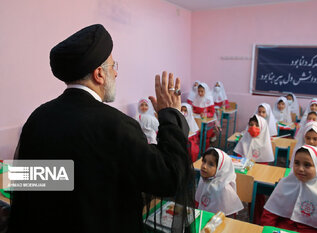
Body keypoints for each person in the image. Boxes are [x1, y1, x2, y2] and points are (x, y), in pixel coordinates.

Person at [8, 24, 195, 233]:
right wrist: (171, 115)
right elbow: (169, 178)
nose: (116, 73)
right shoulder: (116, 125)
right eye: (113, 66)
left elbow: (35, 185)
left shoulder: (38, 118)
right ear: (99, 74)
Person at [262, 145, 317, 233]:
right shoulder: (286, 184)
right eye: (296, 163)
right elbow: (269, 214)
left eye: (307, 165)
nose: (300, 169)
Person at [195, 148, 243, 216]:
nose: (204, 166)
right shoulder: (203, 180)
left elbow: (228, 217)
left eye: (211, 164)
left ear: (220, 169)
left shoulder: (224, 189)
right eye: (204, 161)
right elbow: (198, 204)